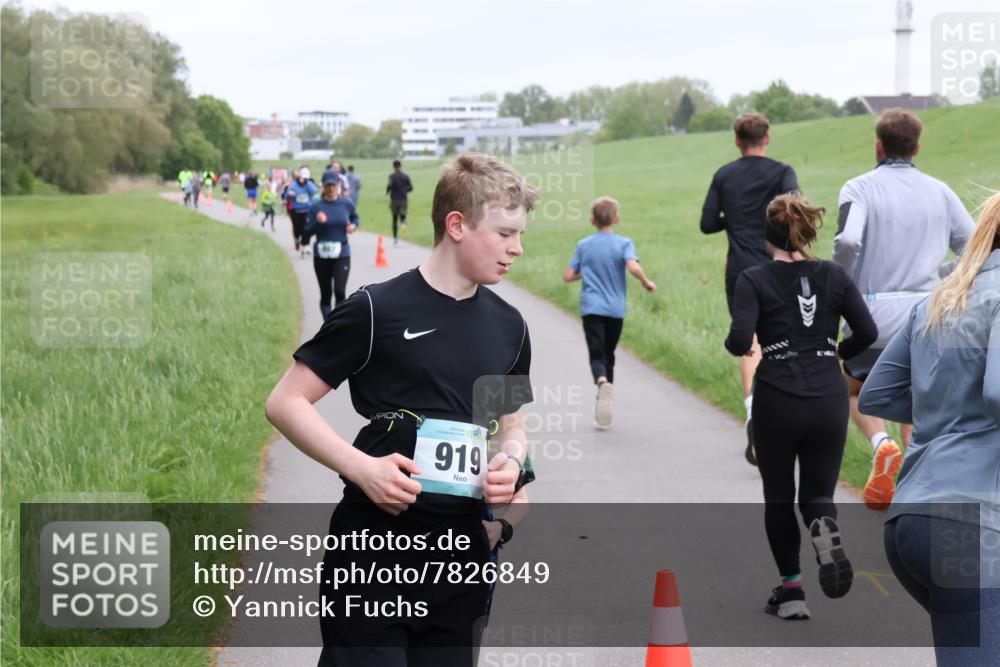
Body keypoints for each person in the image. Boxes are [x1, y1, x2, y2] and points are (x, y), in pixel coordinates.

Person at [265, 152, 537, 666]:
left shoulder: (510, 326)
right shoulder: (375, 309)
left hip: (462, 558)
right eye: (505, 233)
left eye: (520, 235)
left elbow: (510, 426)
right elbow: (285, 402)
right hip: (374, 552)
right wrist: (361, 468)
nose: (517, 248)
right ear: (457, 225)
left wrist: (510, 460)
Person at [859, 192, 1000, 666]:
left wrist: (951, 408)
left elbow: (876, 395)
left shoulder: (940, 299)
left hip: (913, 519)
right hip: (971, 524)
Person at [725, 192, 878, 620]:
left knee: (778, 496)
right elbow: (868, 331)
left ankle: (791, 591)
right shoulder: (834, 274)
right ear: (808, 231)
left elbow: (740, 340)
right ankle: (823, 529)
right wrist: (839, 352)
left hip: (778, 396)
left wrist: (742, 342)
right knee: (818, 494)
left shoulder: (754, 278)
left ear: (767, 234)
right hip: (828, 397)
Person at [834, 107, 975, 511]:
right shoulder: (940, 191)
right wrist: (942, 276)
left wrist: (841, 286)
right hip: (927, 314)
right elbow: (974, 246)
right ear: (917, 147)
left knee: (854, 390)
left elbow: (848, 242)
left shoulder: (859, 188)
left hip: (872, 313)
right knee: (917, 398)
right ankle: (916, 494)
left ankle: (882, 443)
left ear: (878, 145)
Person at [701, 112, 799, 466]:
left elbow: (707, 223)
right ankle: (780, 417)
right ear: (767, 138)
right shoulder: (783, 172)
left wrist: (734, 219)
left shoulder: (724, 175)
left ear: (737, 141)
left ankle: (753, 409)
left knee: (752, 343)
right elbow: (796, 212)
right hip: (780, 268)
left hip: (740, 270)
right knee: (784, 340)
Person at [563, 196, 656, 428]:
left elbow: (568, 275)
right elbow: (632, 266)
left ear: (592, 220)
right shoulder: (624, 243)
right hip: (615, 309)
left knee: (596, 354)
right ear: (617, 219)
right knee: (609, 354)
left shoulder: (584, 244)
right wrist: (646, 282)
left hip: (591, 307)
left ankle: (601, 382)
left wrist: (585, 273)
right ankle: (606, 398)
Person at [302, 171, 360, 318]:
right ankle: (329, 325)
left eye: (333, 185)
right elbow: (307, 231)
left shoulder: (346, 204)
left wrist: (353, 226)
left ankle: (337, 326)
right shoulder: (316, 207)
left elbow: (355, 218)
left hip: (342, 252)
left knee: (340, 291)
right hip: (321, 255)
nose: (331, 188)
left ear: (338, 185)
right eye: (328, 185)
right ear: (323, 186)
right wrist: (317, 222)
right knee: (326, 293)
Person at [284, 166, 319, 257]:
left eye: (305, 179)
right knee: (297, 229)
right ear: (299, 177)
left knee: (306, 228)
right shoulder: (293, 185)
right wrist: (290, 194)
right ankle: (297, 239)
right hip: (296, 211)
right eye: (301, 178)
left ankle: (306, 245)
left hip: (307, 210)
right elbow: (287, 196)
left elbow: (316, 194)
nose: (303, 180)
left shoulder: (309, 185)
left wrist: (315, 199)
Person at [387, 159, 414, 245]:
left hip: (394, 200)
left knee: (394, 219)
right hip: (403, 200)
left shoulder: (391, 176)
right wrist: (404, 191)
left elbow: (389, 186)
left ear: (393, 167)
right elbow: (411, 188)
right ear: (400, 166)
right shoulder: (406, 176)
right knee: (403, 217)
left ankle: (395, 238)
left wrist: (387, 191)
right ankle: (404, 230)